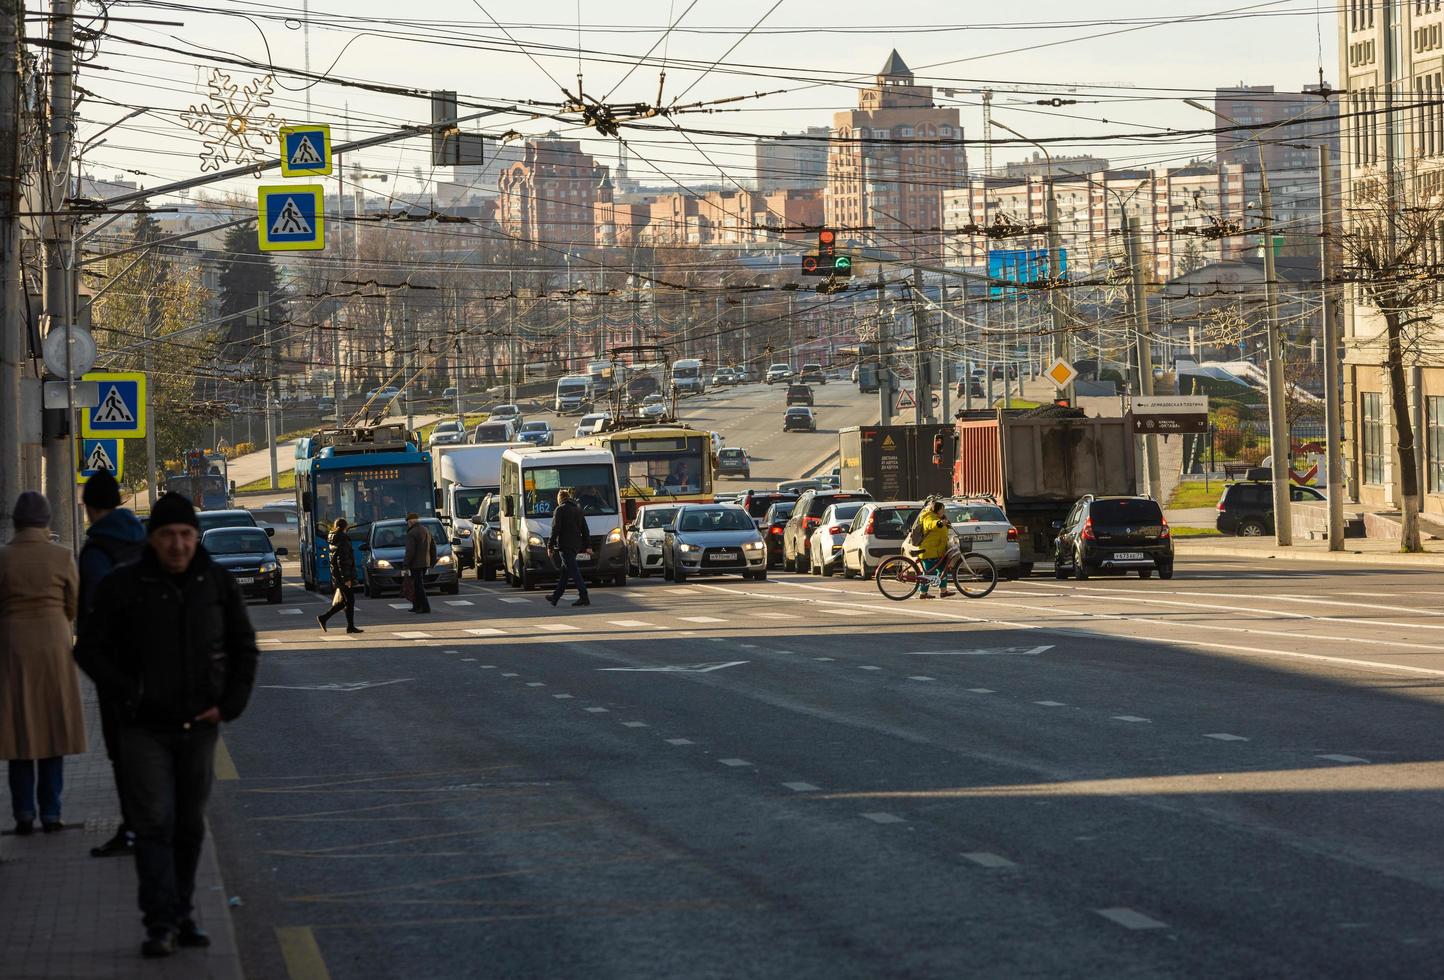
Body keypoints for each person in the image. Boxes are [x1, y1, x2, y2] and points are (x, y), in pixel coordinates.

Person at [75, 492, 259, 959]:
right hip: (143, 729)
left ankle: (182, 914)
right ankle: (159, 923)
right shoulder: (124, 585)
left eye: (185, 535)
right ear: (152, 540)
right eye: (167, 536)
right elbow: (88, 649)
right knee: (154, 823)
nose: (177, 545)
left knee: (188, 826)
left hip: (199, 726)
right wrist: (128, 693)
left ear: (195, 538)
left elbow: (244, 648)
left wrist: (228, 705)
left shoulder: (215, 582)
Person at [0, 491, 86, 836]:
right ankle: (51, 813)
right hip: (54, 647)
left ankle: (23, 813)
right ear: (46, 521)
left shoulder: (3, 558)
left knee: (19, 734)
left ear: (17, 523)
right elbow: (73, 605)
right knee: (53, 731)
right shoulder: (62, 556)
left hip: (12, 651)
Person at [77, 471, 147, 858]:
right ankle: (151, 822)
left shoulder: (97, 551)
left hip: (115, 667)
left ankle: (133, 828)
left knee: (122, 752)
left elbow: (93, 613)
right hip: (151, 662)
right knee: (148, 747)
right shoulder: (141, 539)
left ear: (89, 508)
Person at [546, 488, 591, 608]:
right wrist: (588, 545)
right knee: (565, 573)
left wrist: (550, 545)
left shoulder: (560, 510)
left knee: (574, 571)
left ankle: (584, 596)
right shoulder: (578, 510)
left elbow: (555, 529)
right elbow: (585, 530)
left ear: (559, 499)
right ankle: (555, 597)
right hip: (576, 545)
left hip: (564, 545)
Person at [317, 518, 362, 634]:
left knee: (345, 602)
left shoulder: (332, 537)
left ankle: (348, 625)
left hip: (337, 574)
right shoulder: (343, 538)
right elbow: (343, 560)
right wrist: (347, 578)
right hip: (344, 576)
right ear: (345, 527)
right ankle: (326, 618)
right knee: (349, 601)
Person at [915, 500, 954, 599]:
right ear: (936, 509)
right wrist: (939, 523)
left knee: (943, 570)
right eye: (941, 509)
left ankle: (943, 591)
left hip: (939, 550)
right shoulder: (928, 516)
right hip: (930, 551)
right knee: (929, 573)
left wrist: (945, 522)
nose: (943, 511)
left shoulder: (938, 517)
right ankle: (923, 593)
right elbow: (930, 524)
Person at [403, 513, 435, 614]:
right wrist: (432, 561)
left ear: (411, 521)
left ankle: (425, 607)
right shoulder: (426, 530)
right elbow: (433, 547)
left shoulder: (412, 533)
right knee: (416, 585)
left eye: (408, 522)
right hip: (425, 562)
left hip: (415, 564)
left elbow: (410, 551)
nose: (407, 524)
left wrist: (406, 564)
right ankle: (416, 606)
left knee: (418, 586)